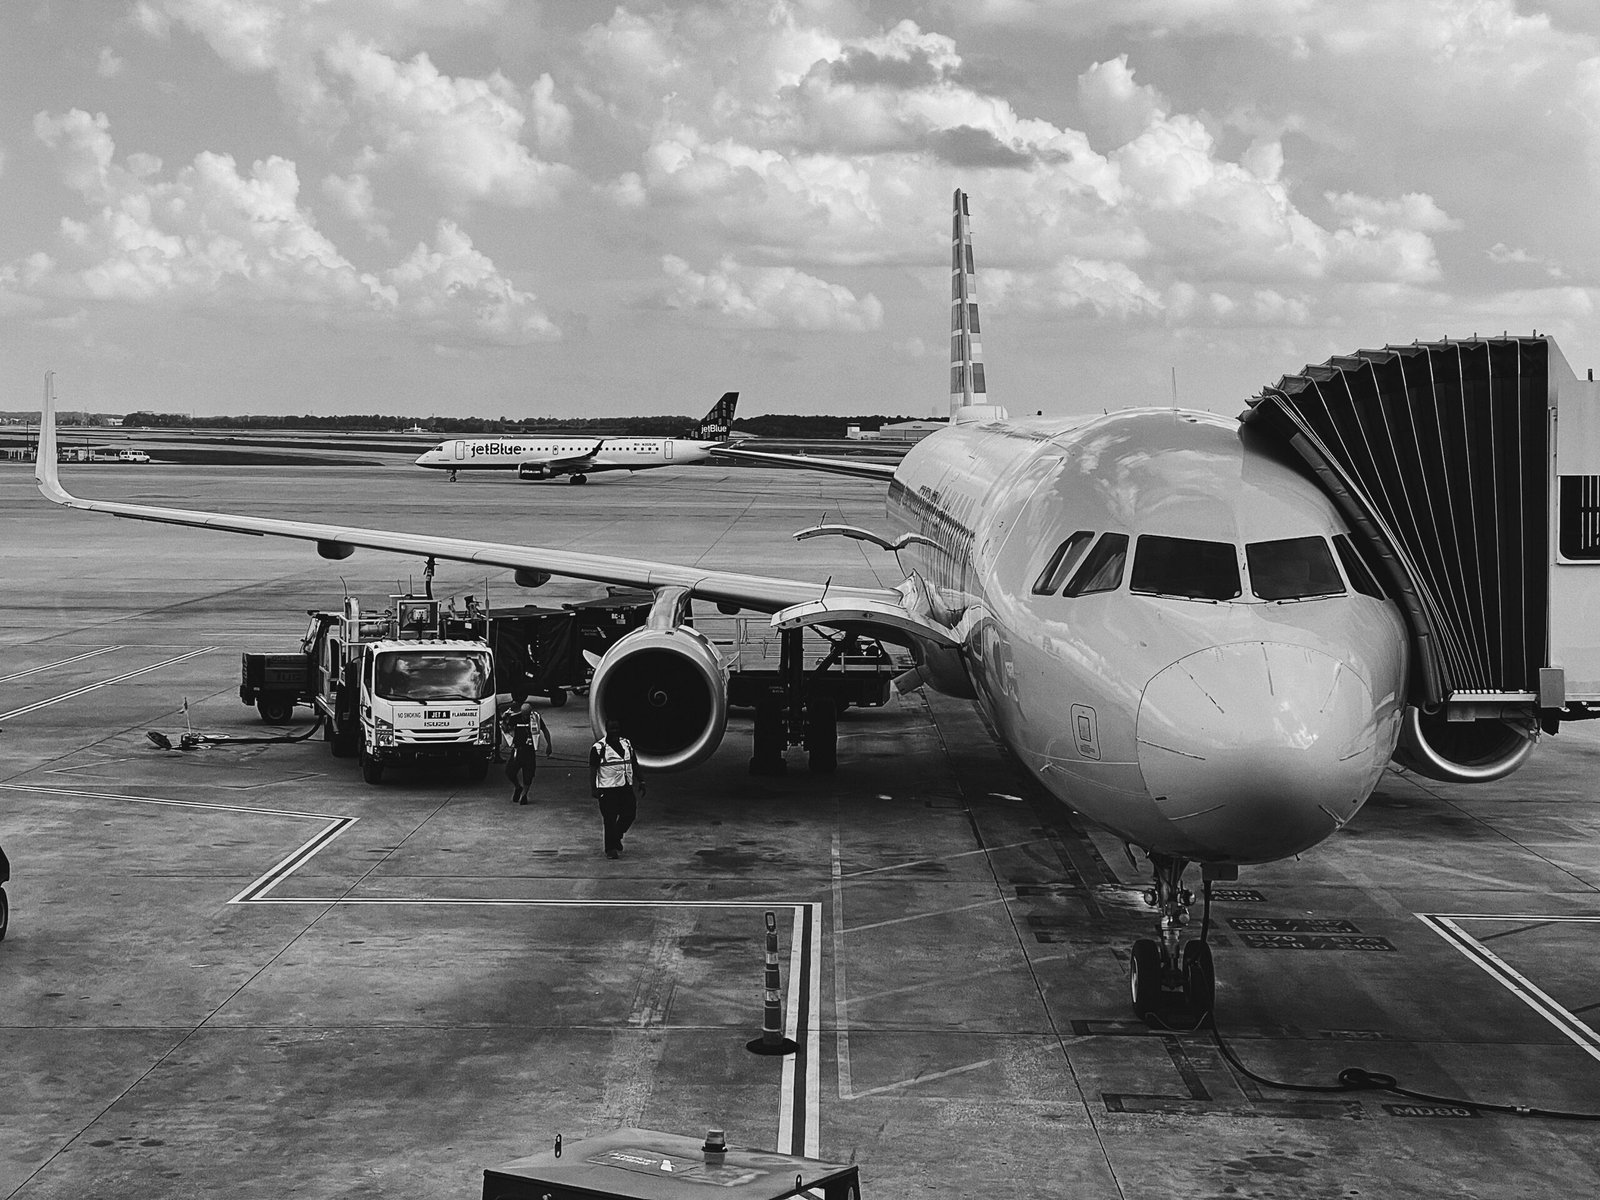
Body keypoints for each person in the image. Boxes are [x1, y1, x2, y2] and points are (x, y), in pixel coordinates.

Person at [590, 719, 642, 858]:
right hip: (608, 789)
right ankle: (610, 849)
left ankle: (617, 835)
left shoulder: (627, 744)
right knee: (609, 818)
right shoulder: (599, 748)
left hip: (625, 786)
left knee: (630, 814)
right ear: (607, 730)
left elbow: (634, 762)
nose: (615, 731)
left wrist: (641, 780)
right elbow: (593, 769)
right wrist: (594, 788)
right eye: (612, 729)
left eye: (617, 728)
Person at [503, 695, 551, 804]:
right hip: (517, 750)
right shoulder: (515, 718)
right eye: (523, 714)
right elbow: (506, 729)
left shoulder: (535, 718)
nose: (525, 717)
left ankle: (524, 794)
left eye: (527, 715)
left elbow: (544, 730)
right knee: (510, 772)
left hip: (529, 751)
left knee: (528, 775)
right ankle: (517, 787)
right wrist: (505, 719)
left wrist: (549, 744)